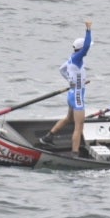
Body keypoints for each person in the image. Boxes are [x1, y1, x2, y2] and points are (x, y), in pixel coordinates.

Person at [41, 19, 93, 154]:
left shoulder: (72, 58)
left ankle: (49, 136)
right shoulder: (78, 58)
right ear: (80, 49)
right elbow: (87, 46)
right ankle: (75, 153)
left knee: (69, 119)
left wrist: (72, 81)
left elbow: (61, 69)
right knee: (78, 125)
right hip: (77, 96)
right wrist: (88, 29)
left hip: (71, 94)